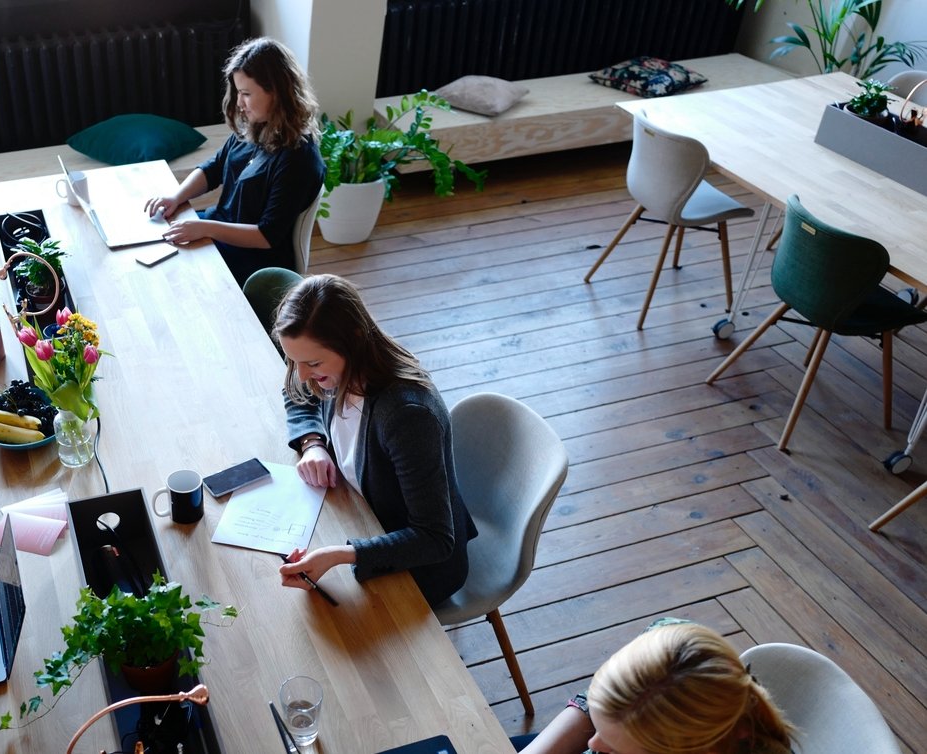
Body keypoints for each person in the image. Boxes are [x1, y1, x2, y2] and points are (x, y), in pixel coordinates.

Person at [272, 274, 478, 607]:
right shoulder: (337, 365)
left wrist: (342, 555)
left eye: (312, 363)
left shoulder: (406, 416)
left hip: (418, 566)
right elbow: (296, 391)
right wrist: (313, 443)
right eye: (294, 360)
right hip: (361, 514)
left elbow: (435, 539)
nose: (302, 374)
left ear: (353, 340)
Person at [144, 37, 325, 286]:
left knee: (173, 272)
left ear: (276, 91)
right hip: (221, 230)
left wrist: (205, 228)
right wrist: (176, 197)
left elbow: (266, 236)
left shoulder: (298, 159)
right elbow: (214, 168)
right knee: (155, 239)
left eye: (246, 94)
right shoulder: (255, 127)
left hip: (254, 260)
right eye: (238, 93)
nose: (239, 103)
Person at [519, 620, 794, 754]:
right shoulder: (670, 639)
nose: (594, 743)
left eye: (616, 747)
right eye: (601, 730)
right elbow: (596, 706)